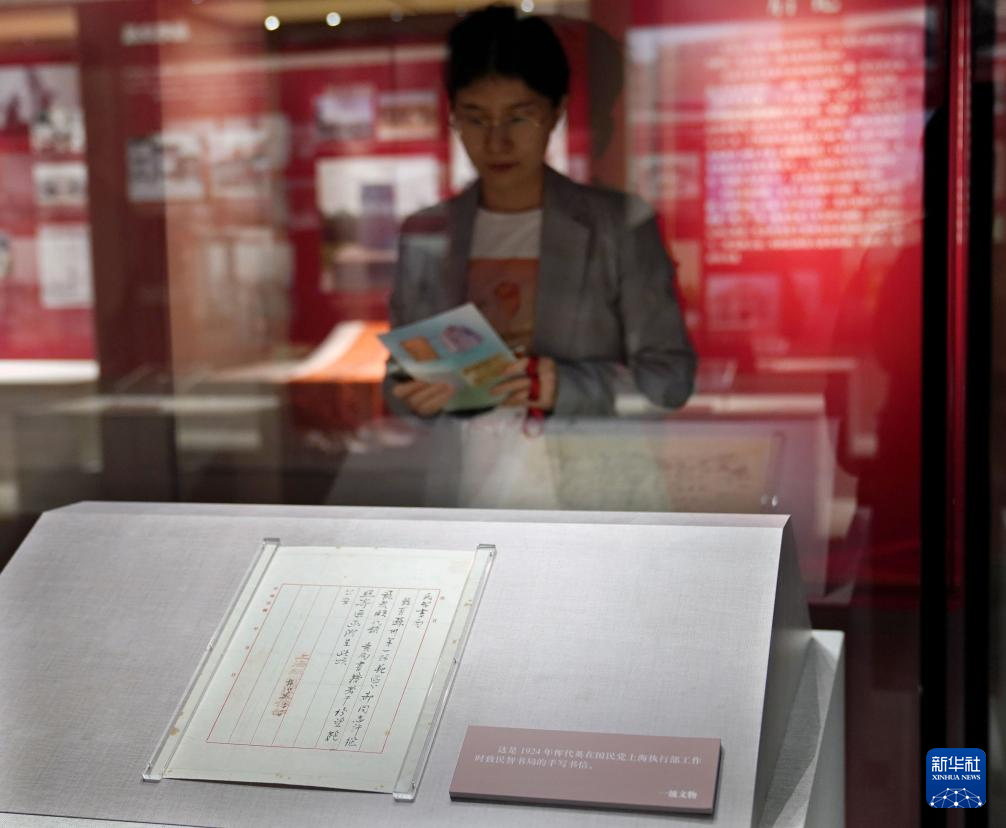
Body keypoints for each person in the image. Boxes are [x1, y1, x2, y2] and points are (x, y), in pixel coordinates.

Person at [385, 3, 695, 420]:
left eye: (519, 118)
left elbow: (670, 381)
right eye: (476, 119)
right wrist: (412, 396)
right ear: (454, 116)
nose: (497, 142)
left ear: (555, 113)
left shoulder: (617, 228)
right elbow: (398, 377)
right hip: (463, 459)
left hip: (583, 459)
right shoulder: (427, 232)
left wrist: (565, 387)